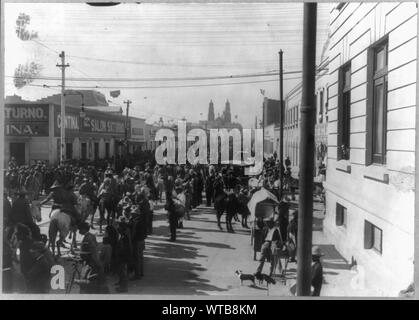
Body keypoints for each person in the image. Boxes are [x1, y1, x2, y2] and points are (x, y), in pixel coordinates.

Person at [115, 217, 132, 292]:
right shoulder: (122, 236)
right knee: (121, 271)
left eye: (119, 227)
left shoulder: (124, 238)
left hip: (123, 257)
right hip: (122, 257)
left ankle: (124, 288)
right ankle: (121, 284)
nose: (118, 229)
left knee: (123, 272)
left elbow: (124, 249)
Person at [129, 205, 147, 280]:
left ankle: (137, 275)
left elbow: (134, 233)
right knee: (141, 257)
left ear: (136, 214)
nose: (131, 215)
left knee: (136, 258)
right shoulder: (142, 220)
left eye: (133, 214)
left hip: (137, 241)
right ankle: (141, 272)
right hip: (142, 240)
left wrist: (131, 240)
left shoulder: (136, 222)